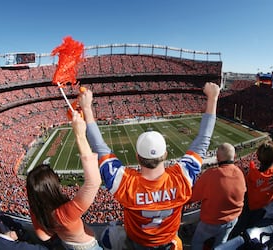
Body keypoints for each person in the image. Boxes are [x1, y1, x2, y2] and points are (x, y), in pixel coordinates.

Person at [79, 82, 220, 249]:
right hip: (170, 245)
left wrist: (87, 109)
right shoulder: (182, 178)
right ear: (165, 155)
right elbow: (203, 141)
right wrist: (213, 98)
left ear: (138, 157)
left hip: (137, 243)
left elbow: (99, 147)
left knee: (110, 236)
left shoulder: (125, 184)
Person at [26, 111, 102, 250]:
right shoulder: (64, 214)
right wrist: (79, 135)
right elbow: (93, 182)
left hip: (67, 245)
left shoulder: (40, 211)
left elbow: (44, 236)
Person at [190, 142, 246, 249]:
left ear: (217, 158)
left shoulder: (210, 174)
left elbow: (193, 197)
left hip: (211, 221)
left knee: (197, 242)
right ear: (234, 157)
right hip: (232, 220)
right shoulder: (240, 173)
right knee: (221, 244)